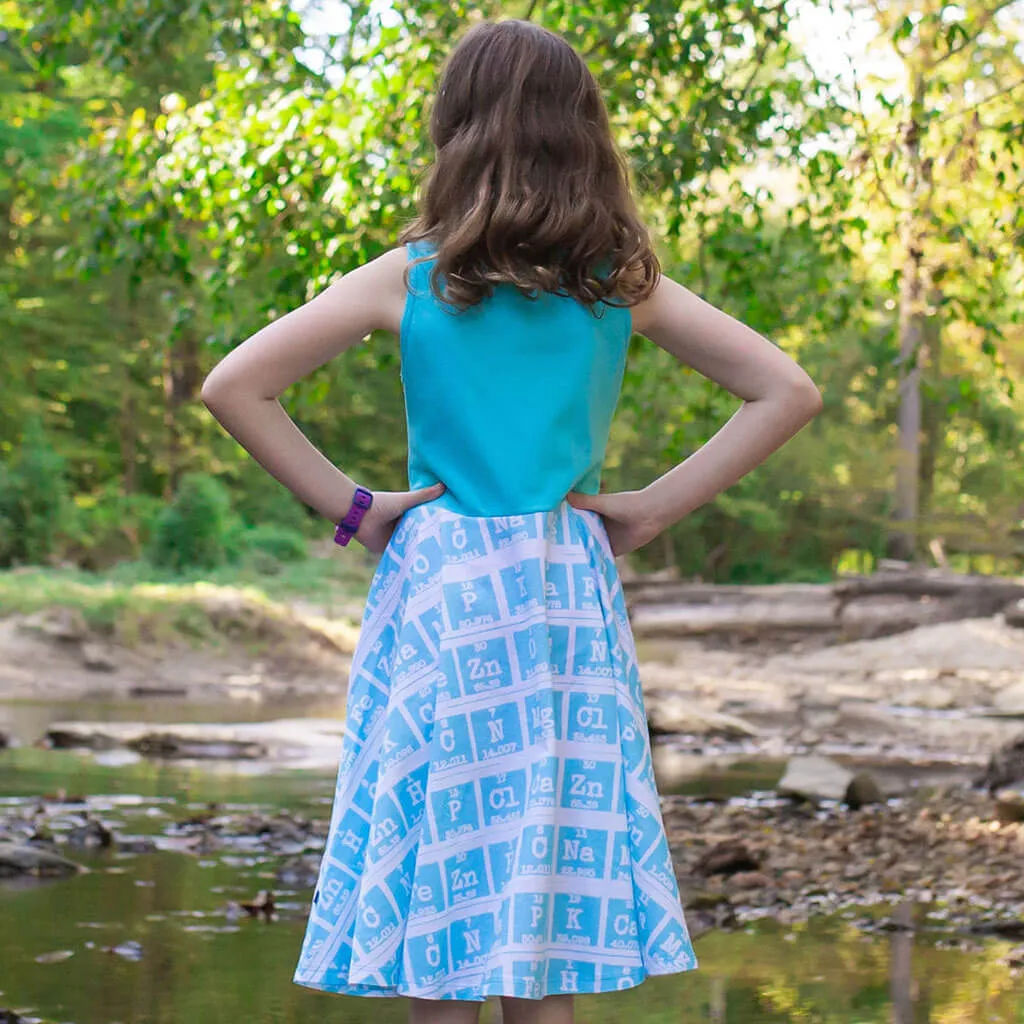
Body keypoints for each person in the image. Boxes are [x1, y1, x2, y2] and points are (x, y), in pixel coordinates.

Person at [200, 17, 822, 1024]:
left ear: (458, 131)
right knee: (540, 917)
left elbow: (235, 386)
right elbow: (785, 391)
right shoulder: (618, 284)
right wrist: (648, 510)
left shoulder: (411, 279)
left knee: (444, 905)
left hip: (443, 591)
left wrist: (355, 508)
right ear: (582, 136)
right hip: (561, 593)